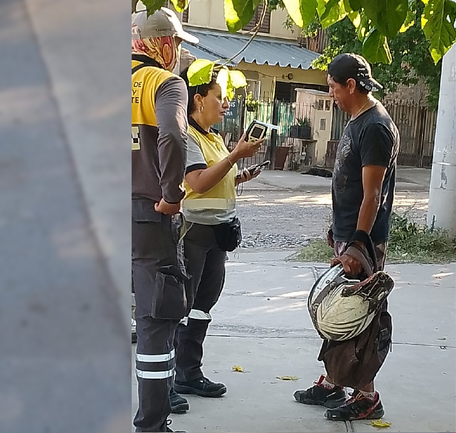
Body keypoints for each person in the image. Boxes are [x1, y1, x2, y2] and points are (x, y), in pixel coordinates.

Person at [293, 53, 400, 421]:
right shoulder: (358, 120)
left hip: (364, 242)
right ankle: (335, 382)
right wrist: (338, 232)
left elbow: (373, 195)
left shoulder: (375, 127)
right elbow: (351, 186)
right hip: (348, 236)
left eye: (333, 87)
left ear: (350, 86)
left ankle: (367, 396)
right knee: (340, 313)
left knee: (361, 318)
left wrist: (356, 243)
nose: (332, 94)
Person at [172, 66, 264, 399]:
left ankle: (190, 373)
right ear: (198, 99)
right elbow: (196, 182)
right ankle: (168, 377)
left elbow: (215, 179)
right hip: (195, 232)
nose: (226, 105)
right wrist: (235, 156)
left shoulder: (213, 137)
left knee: (204, 304)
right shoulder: (189, 137)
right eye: (219, 98)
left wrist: (239, 174)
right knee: (183, 305)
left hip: (219, 231)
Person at [130, 6, 199, 432]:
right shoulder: (166, 83)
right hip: (146, 217)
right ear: (164, 43)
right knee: (156, 319)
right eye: (175, 43)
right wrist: (172, 195)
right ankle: (152, 424)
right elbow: (173, 135)